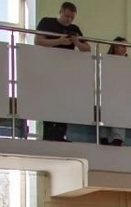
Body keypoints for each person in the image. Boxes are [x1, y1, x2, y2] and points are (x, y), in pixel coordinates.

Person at [35, 2, 91, 141]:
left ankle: (61, 134)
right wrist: (59, 41)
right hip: (48, 67)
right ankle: (49, 135)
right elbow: (38, 41)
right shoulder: (47, 22)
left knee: (64, 100)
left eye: (72, 18)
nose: (69, 20)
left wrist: (76, 42)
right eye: (66, 16)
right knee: (49, 100)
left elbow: (87, 48)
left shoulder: (74, 29)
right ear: (60, 12)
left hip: (66, 70)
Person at [100, 37, 129, 146]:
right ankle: (103, 136)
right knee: (106, 111)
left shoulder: (127, 62)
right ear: (115, 47)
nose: (125, 49)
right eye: (122, 46)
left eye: (126, 47)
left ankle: (118, 138)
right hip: (108, 90)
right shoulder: (106, 60)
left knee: (119, 113)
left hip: (120, 91)